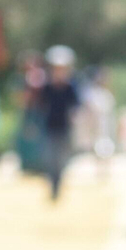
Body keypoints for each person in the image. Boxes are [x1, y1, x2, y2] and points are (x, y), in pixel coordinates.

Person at [32, 45, 82, 200]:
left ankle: (57, 186)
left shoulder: (71, 87)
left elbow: (76, 106)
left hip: (65, 128)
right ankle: (52, 187)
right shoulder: (47, 87)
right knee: (50, 160)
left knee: (61, 161)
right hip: (49, 127)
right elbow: (39, 106)